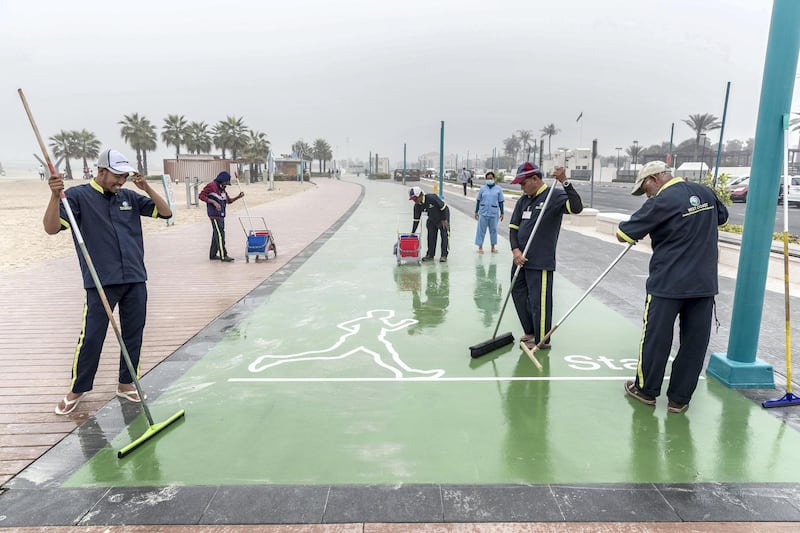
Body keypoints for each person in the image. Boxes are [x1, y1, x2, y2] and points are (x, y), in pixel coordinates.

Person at [43, 148, 173, 415]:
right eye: (116, 176)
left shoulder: (128, 196)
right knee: (91, 337)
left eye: (124, 176)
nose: (120, 182)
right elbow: (51, 228)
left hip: (135, 277)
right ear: (101, 171)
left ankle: (126, 384)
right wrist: (55, 196)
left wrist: (146, 187)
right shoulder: (77, 196)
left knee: (133, 334)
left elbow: (166, 212)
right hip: (100, 281)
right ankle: (77, 389)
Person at [617, 161, 728, 413]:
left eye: (645, 188)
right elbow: (721, 218)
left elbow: (624, 234)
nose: (646, 194)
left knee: (656, 337)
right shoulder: (705, 192)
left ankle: (646, 391)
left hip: (667, 283)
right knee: (694, 342)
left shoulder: (661, 201)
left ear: (654, 179)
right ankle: (679, 399)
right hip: (703, 283)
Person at [509, 162, 583, 350]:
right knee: (517, 293)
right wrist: (515, 250)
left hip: (540, 260)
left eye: (523, 183)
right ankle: (531, 331)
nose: (521, 187)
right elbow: (513, 228)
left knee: (539, 301)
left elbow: (576, 207)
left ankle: (542, 339)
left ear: (535, 179)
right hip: (520, 259)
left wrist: (565, 181)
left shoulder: (554, 195)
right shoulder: (524, 200)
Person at [199, 171, 244, 262]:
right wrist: (213, 202)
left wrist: (238, 197)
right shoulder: (211, 186)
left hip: (221, 215)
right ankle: (224, 255)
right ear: (221, 181)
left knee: (217, 234)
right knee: (220, 235)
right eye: (225, 183)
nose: (226, 186)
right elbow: (201, 196)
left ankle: (213, 254)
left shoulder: (222, 190)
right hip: (214, 215)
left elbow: (229, 201)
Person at [409, 186, 450, 262]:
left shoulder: (432, 198)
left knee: (444, 235)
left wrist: (445, 219)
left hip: (442, 218)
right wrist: (413, 232)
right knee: (431, 236)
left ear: (420, 195)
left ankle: (444, 255)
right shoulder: (417, 206)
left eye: (415, 198)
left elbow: (444, 208)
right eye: (413, 199)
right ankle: (430, 255)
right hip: (431, 219)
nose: (414, 201)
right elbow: (416, 220)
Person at [474, 171, 505, 254]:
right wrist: (476, 212)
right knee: (481, 230)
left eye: (491, 178)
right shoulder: (482, 189)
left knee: (493, 230)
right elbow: (478, 200)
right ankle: (480, 247)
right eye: (488, 179)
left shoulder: (498, 189)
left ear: (494, 179)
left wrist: (502, 213)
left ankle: (493, 247)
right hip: (483, 213)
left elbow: (501, 202)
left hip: (494, 213)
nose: (489, 180)